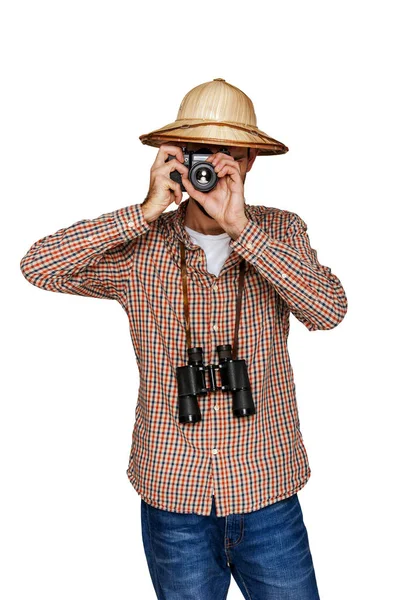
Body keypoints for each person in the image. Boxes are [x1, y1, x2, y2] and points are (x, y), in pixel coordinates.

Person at [20, 78, 348, 599]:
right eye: (201, 151)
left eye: (227, 152)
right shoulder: (140, 247)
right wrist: (147, 209)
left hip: (268, 490)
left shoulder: (282, 232)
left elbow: (328, 311)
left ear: (249, 161)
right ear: (176, 158)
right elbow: (38, 265)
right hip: (174, 496)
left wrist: (242, 228)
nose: (212, 166)